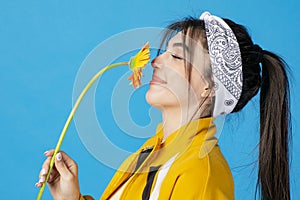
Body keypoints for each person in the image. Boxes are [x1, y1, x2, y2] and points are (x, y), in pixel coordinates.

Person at [36, 11, 291, 200]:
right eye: (164, 52)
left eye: (177, 55)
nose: (156, 61)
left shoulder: (202, 173)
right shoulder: (149, 153)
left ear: (210, 86)